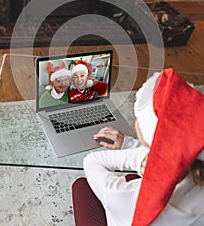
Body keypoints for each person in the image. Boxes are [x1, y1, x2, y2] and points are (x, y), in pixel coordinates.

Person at [72, 68, 204, 225]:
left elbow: (92, 161)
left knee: (81, 185)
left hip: (127, 210)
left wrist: (141, 159)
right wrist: (127, 144)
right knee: (130, 177)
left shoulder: (125, 195)